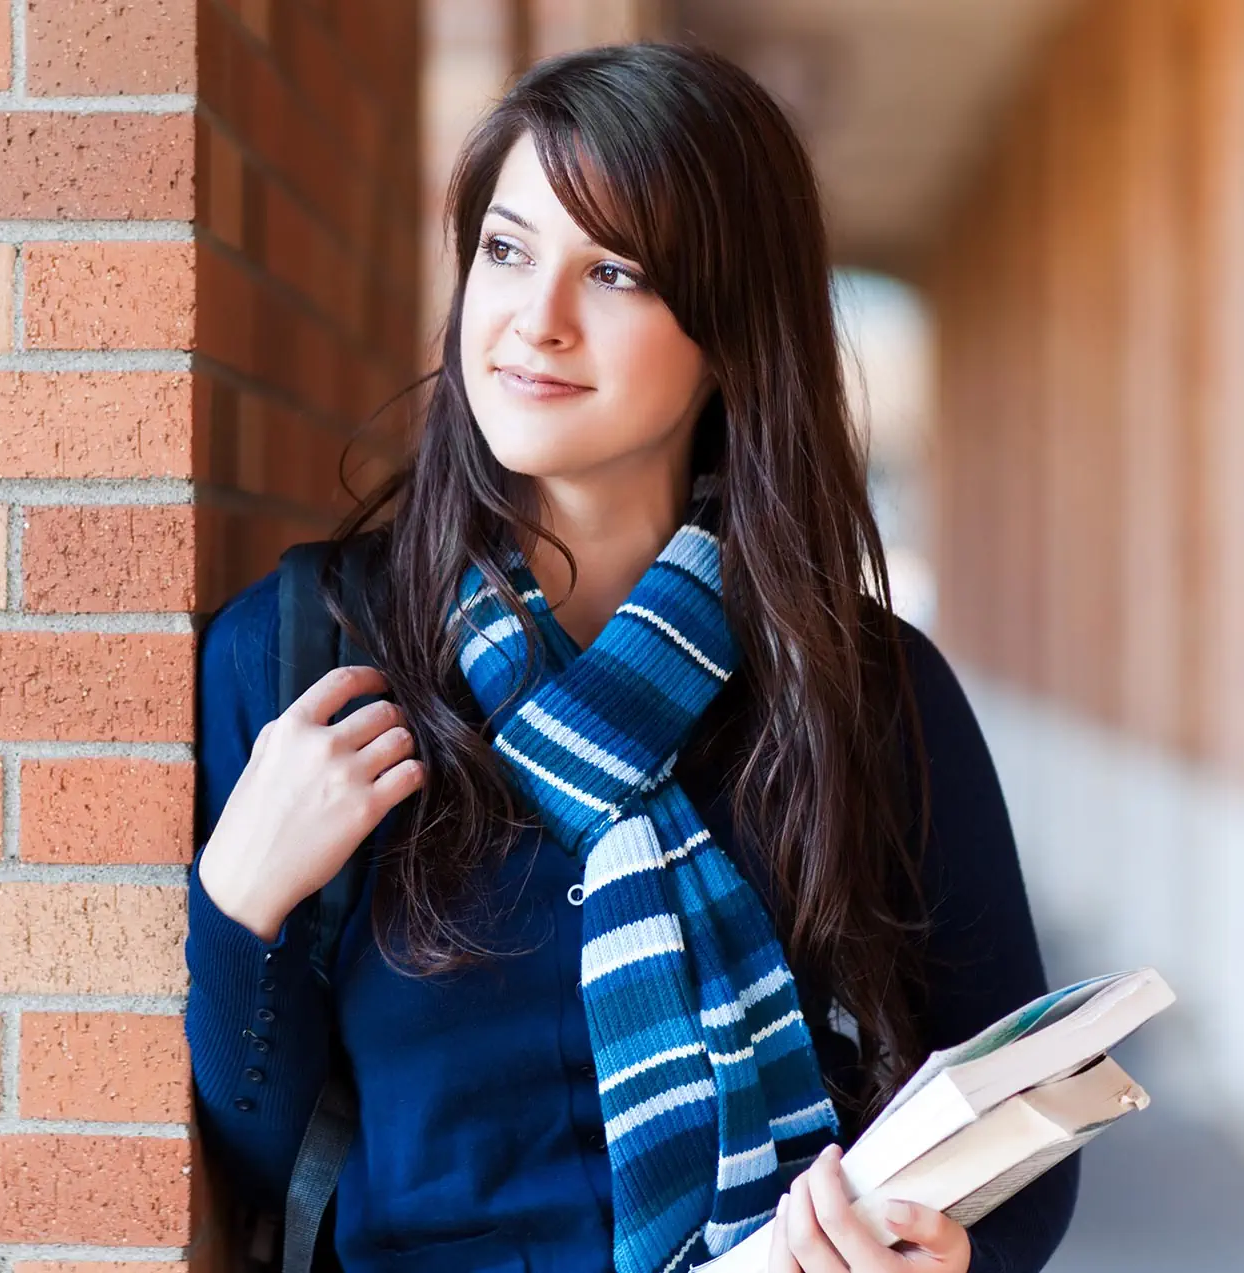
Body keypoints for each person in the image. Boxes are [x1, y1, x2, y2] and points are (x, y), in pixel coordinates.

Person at [185, 43, 1077, 1273]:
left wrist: (937, 1256)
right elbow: (239, 1159)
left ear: (731, 335)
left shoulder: (866, 695)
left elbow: (1021, 1134)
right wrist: (240, 903)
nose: (533, 321)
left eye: (614, 270)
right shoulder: (308, 666)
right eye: (506, 250)